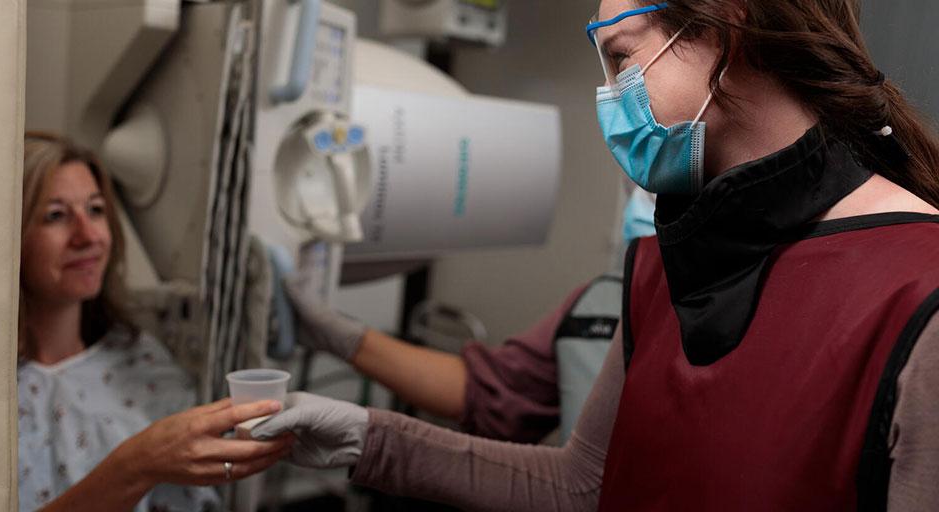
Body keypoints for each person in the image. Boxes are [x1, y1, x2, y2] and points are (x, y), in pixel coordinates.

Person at [252, 1, 939, 510]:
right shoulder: (661, 271)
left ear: (724, 26)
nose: (610, 98)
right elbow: (583, 485)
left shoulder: (917, 297)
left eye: (620, 56)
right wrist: (364, 439)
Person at [17, 133, 293, 511]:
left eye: (96, 210)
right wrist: (137, 464)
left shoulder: (138, 355)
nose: (89, 235)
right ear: (8, 236)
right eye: (56, 216)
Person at [284, 183, 656, 445]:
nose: (642, 201)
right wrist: (339, 336)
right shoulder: (601, 302)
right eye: (640, 189)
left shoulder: (706, 330)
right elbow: (488, 392)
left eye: (654, 195)